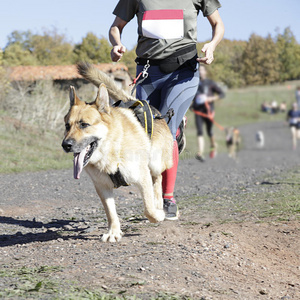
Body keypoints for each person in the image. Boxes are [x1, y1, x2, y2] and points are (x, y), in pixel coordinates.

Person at [109, 0, 224, 220]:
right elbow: (116, 26)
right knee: (146, 132)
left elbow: (218, 24)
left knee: (166, 132)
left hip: (183, 71)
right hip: (148, 71)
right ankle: (172, 138)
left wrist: (212, 45)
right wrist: (116, 44)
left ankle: (167, 197)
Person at [192, 65, 225, 162]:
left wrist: (211, 98)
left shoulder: (210, 83)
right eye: (199, 70)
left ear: (205, 72)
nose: (200, 72)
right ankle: (200, 153)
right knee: (199, 131)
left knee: (210, 131)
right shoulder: (194, 83)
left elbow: (222, 94)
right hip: (198, 111)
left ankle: (213, 146)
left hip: (208, 111)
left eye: (202, 70)